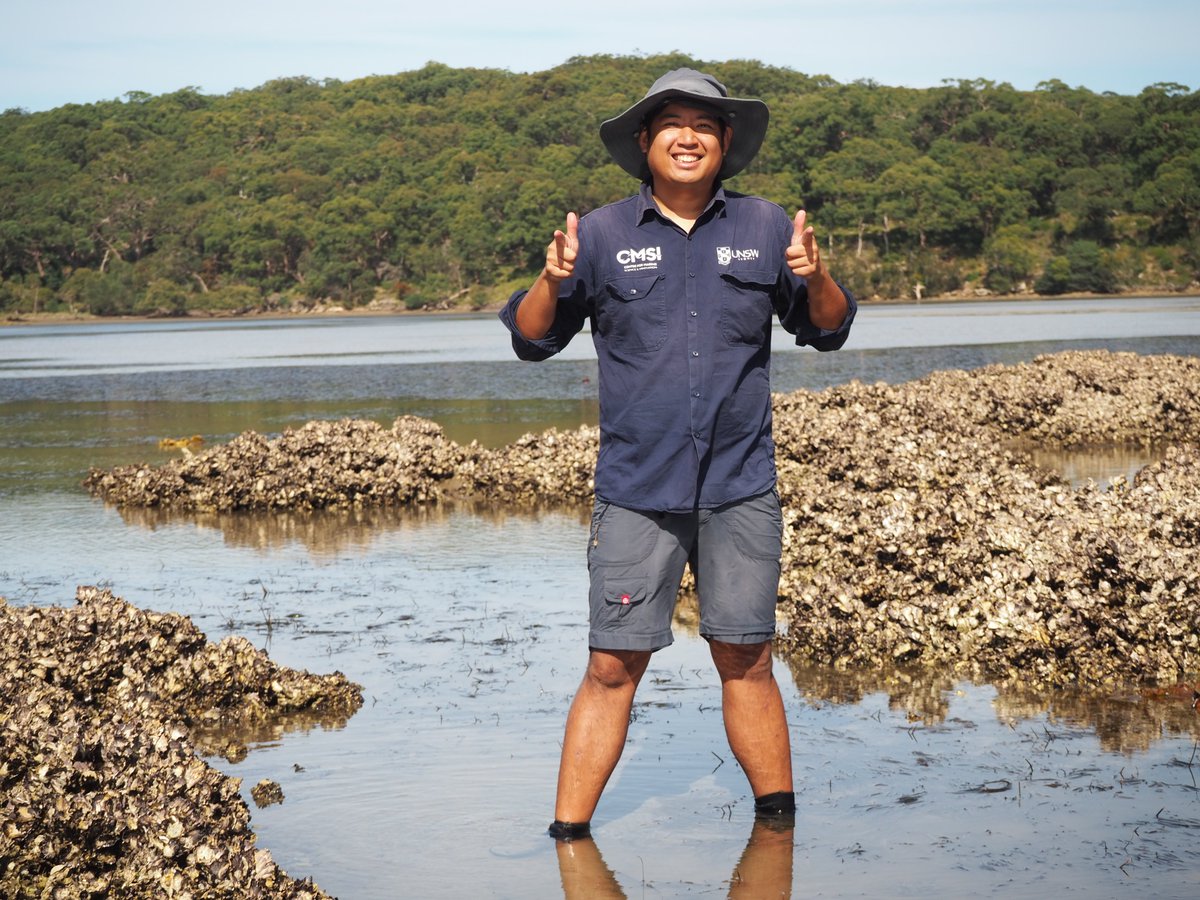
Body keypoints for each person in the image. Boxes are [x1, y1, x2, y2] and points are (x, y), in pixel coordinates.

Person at [498, 68, 857, 841]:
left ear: (726, 142)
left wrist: (817, 274)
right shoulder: (596, 234)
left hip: (741, 487)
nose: (688, 136)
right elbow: (532, 339)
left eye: (705, 123)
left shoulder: (767, 228)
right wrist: (550, 275)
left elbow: (828, 329)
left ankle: (778, 835)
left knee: (747, 657)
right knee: (610, 666)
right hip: (635, 491)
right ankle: (566, 836)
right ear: (644, 142)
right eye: (672, 124)